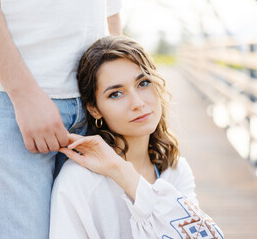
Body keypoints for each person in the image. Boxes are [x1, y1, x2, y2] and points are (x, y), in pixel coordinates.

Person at [0, 0, 122, 238]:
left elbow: (110, 11)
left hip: (92, 100)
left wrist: (118, 92)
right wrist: (24, 94)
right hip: (8, 100)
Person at [50, 36, 224, 239]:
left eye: (143, 83)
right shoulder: (78, 182)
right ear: (95, 109)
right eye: (116, 94)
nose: (138, 103)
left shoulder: (174, 169)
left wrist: (123, 173)